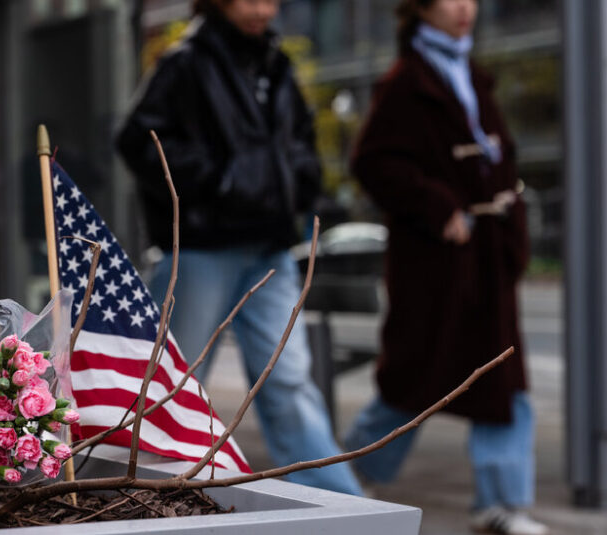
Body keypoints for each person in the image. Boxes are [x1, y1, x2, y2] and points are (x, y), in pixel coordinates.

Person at [116, 0, 362, 495]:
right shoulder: (185, 62)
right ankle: (146, 495)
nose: (262, 9)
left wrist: (301, 182)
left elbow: (299, 140)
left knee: (289, 382)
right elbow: (138, 141)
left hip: (270, 246)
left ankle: (345, 507)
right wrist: (223, 182)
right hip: (206, 247)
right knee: (175, 383)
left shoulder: (276, 61)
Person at [342, 1, 546, 533]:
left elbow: (499, 160)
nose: (464, 8)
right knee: (413, 378)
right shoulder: (407, 80)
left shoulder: (471, 73)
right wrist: (439, 207)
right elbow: (372, 161)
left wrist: (510, 229)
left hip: (485, 256)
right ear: (420, 9)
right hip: (437, 261)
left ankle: (501, 503)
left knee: (505, 379)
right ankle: (349, 476)